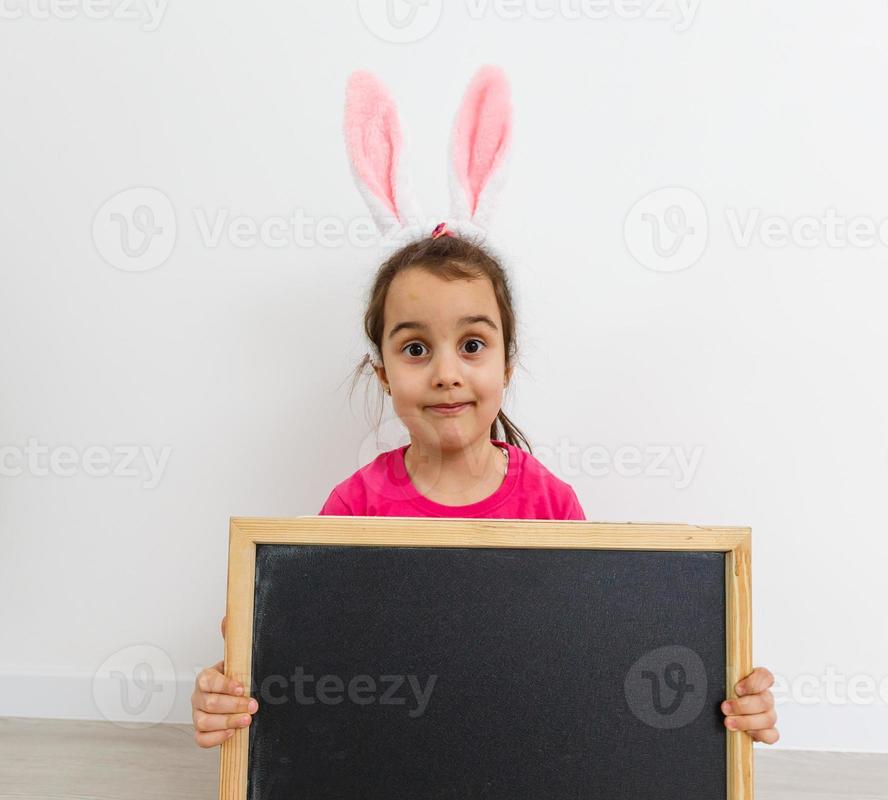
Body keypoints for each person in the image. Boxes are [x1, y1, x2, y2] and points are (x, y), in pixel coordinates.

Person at [191, 66, 778, 748]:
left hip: (519, 772)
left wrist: (719, 699)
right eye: (416, 350)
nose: (446, 374)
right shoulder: (355, 509)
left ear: (507, 361)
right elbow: (290, 643)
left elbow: (600, 653)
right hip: (397, 769)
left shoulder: (550, 507)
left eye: (472, 344)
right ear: (381, 372)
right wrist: (233, 685)